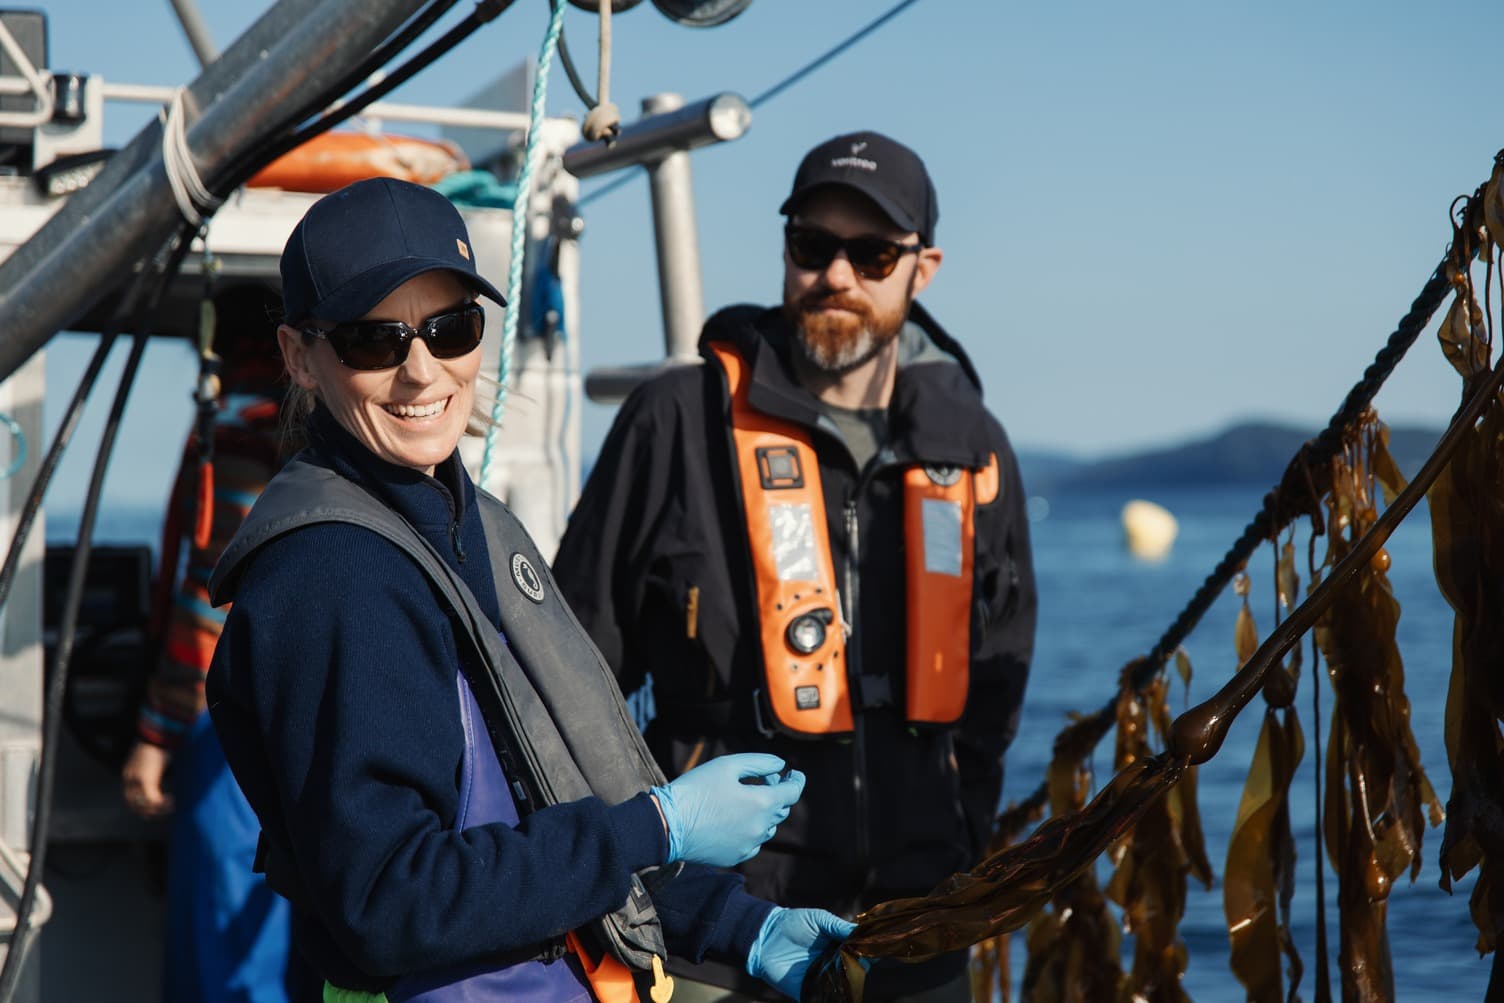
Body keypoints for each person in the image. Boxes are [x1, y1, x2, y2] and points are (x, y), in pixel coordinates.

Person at [204, 177, 853, 1003]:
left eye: (451, 328)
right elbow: (391, 899)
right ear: (300, 355)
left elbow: (554, 799)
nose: (420, 370)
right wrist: (660, 824)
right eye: (373, 339)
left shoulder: (469, 524)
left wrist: (740, 925)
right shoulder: (338, 575)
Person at [552, 131, 1038, 1002]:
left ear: (921, 268)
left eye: (873, 253)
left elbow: (997, 685)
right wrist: (637, 859)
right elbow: (569, 680)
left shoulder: (972, 452)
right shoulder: (676, 422)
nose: (838, 276)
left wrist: (959, 843)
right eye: (813, 246)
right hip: (716, 933)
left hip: (913, 932)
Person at [121, 283, 316, 1003]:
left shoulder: (240, 427)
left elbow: (216, 603)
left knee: (231, 956)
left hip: (234, 734)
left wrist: (155, 731)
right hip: (308, 725)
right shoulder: (321, 436)